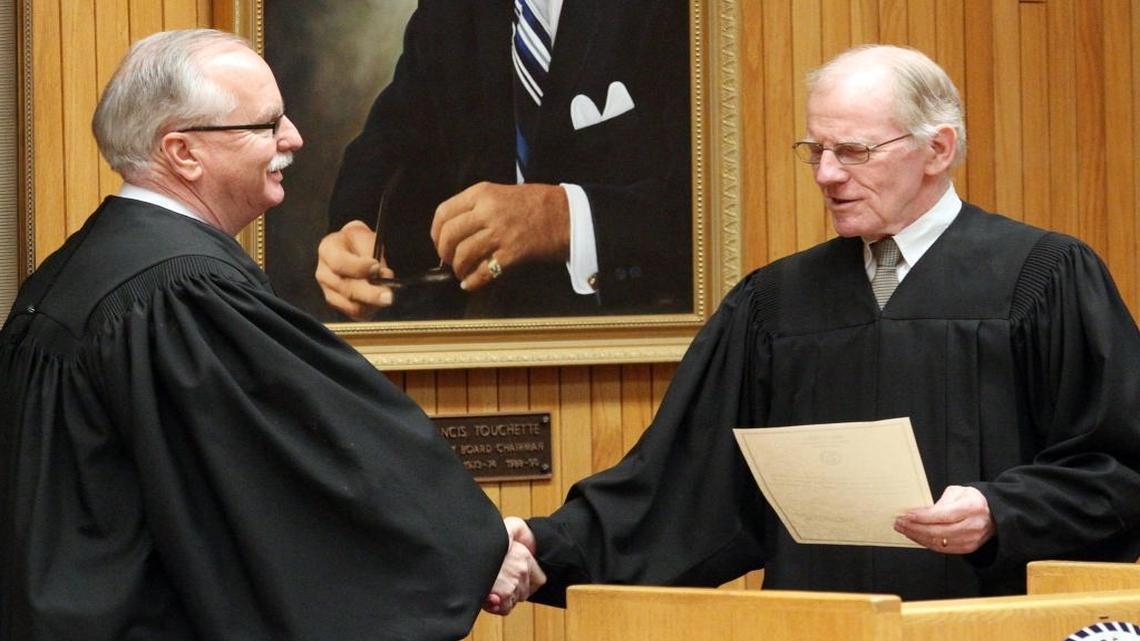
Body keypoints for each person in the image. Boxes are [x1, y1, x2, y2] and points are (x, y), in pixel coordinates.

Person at [484, 44, 1140, 612]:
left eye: (853, 151)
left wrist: (1002, 512)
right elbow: (683, 481)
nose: (827, 175)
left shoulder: (1041, 277)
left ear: (937, 149)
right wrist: (549, 544)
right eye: (816, 150)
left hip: (987, 621)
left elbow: (1118, 468)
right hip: (818, 622)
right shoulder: (775, 305)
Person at [0, 29, 534, 641]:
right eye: (266, 124)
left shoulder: (88, 266)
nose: (293, 138)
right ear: (183, 152)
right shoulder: (181, 292)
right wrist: (471, 547)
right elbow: (285, 478)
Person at [315, 0, 692, 320]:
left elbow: (716, 207)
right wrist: (353, 231)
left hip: (647, 346)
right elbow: (387, 146)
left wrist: (563, 218)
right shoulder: (449, 11)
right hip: (487, 349)